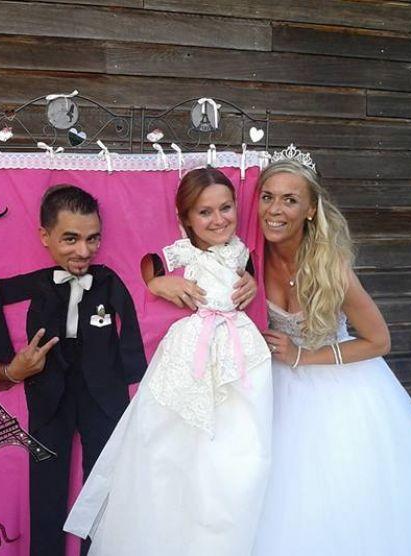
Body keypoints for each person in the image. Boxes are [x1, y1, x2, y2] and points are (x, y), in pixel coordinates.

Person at [249, 147, 411, 555]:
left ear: (310, 210)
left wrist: (303, 356)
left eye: (290, 199)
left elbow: (379, 341)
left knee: (344, 491)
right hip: (272, 386)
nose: (275, 209)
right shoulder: (249, 256)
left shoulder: (331, 268)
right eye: (268, 196)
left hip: (339, 386)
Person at [64, 168, 272, 555]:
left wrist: (251, 280)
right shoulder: (183, 250)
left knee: (238, 447)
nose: (218, 219)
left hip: (240, 352)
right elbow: (149, 261)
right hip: (191, 350)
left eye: (225, 208)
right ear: (186, 219)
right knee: (170, 445)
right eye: (205, 212)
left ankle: (222, 531)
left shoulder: (242, 249)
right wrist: (157, 282)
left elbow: (248, 267)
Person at [0, 184, 148, 556]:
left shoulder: (108, 281)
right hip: (48, 388)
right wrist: (8, 365)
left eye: (92, 239)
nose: (83, 251)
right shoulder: (37, 282)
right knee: (46, 486)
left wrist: (132, 373)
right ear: (45, 236)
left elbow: (129, 317)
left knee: (102, 483)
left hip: (102, 390)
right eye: (70, 239)